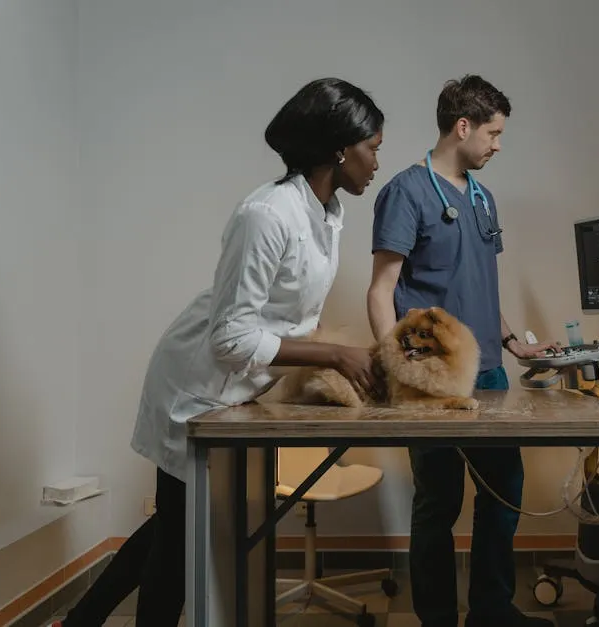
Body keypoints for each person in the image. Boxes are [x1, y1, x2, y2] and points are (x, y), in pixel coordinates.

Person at [52, 77, 385, 627]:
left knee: (176, 526)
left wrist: (327, 352)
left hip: (236, 388)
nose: (376, 161)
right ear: (338, 148)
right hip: (196, 384)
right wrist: (331, 355)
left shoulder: (327, 214)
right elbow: (230, 337)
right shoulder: (266, 213)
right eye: (372, 147)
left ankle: (80, 620)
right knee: (181, 544)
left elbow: (286, 312)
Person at [367, 75, 559, 627]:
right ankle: (436, 619)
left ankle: (492, 612)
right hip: (432, 381)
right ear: (463, 126)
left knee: (504, 494)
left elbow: (477, 282)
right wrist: (394, 369)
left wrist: (513, 343)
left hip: (490, 374)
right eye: (494, 134)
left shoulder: (481, 196)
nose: (497, 145)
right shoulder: (406, 192)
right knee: (439, 502)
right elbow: (382, 289)